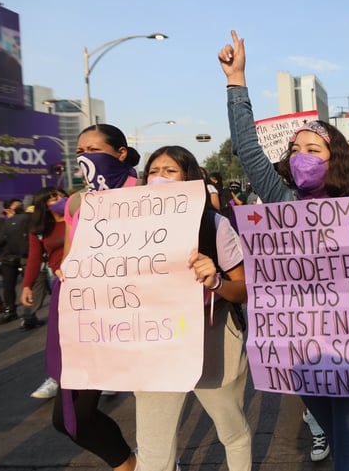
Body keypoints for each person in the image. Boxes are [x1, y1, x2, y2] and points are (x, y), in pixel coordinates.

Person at [220, 29, 349, 471]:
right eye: (294, 150)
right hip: (307, 358)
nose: (301, 155)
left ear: (335, 158)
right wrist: (237, 82)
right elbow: (250, 152)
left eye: (313, 148)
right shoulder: (283, 205)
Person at [134, 145, 252, 471]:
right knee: (154, 453)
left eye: (170, 171)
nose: (160, 178)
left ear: (190, 178)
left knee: (232, 430)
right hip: (155, 345)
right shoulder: (130, 229)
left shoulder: (215, 225)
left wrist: (215, 282)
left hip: (212, 339)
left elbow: (243, 290)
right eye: (153, 172)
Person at [47, 125, 139, 471]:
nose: (85, 156)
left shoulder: (145, 194)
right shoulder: (76, 202)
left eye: (93, 150)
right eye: (80, 151)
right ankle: (130, 464)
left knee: (156, 406)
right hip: (88, 319)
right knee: (69, 417)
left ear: (121, 153)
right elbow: (71, 258)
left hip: (135, 317)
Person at [20, 187, 68, 398]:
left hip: (88, 278)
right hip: (60, 281)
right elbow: (34, 258)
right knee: (59, 332)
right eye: (52, 198)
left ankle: (102, 378)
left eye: (60, 195)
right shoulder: (39, 229)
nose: (58, 199)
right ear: (43, 205)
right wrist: (27, 285)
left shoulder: (80, 218)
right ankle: (55, 377)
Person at [0, 198, 30, 325]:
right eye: (15, 208)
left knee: (28, 286)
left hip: (24, 257)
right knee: (8, 286)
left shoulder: (25, 220)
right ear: (7, 210)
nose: (19, 210)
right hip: (7, 258)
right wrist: (6, 235)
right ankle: (10, 311)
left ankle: (29, 314)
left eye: (20, 207)